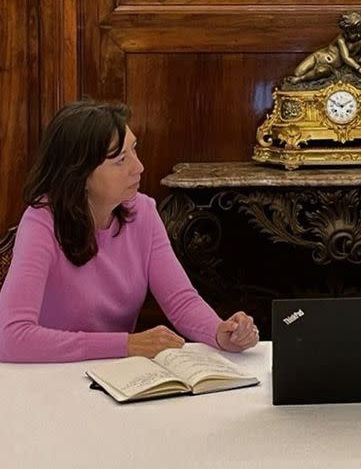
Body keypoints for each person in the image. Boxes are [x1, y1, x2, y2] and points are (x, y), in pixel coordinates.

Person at [0, 100, 259, 362]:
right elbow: (10, 337)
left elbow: (181, 302)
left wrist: (220, 332)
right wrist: (125, 345)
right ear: (80, 174)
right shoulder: (41, 222)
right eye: (121, 159)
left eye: (134, 150)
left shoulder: (143, 212)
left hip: (119, 379)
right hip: (48, 379)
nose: (139, 167)